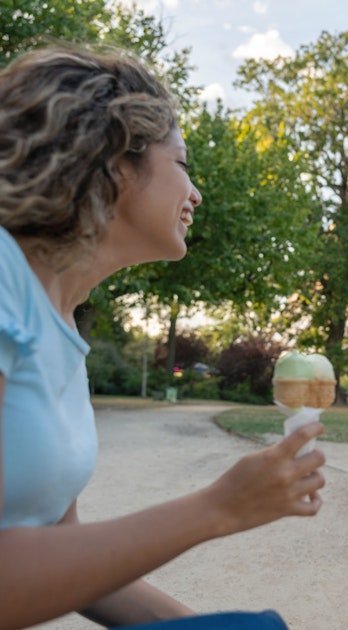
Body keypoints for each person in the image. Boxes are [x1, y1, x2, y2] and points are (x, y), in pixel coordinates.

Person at [0, 46, 326, 629]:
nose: (196, 193)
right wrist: (216, 509)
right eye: (181, 163)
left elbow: (63, 546)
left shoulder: (61, 325)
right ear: (113, 162)